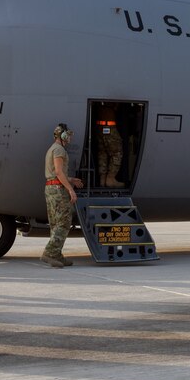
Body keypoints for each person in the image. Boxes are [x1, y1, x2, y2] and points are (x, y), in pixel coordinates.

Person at [42, 122, 84, 268]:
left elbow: (55, 173)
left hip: (51, 188)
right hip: (58, 190)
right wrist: (71, 190)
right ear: (62, 135)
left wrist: (71, 179)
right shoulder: (59, 150)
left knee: (55, 223)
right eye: (68, 135)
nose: (69, 138)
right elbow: (59, 172)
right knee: (64, 221)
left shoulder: (52, 149)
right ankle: (50, 253)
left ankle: (57, 254)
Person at [94, 105, 124, 188]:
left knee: (102, 153)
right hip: (109, 127)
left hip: (99, 127)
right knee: (117, 152)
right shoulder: (109, 102)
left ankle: (102, 179)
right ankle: (111, 179)